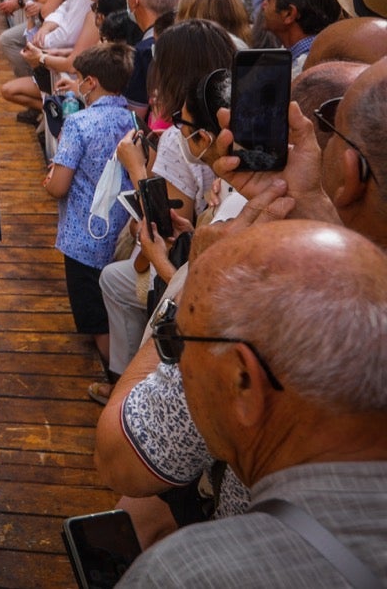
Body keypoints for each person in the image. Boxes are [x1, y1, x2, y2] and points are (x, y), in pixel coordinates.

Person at [115, 221, 387, 588]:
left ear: (243, 381)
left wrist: (184, 284)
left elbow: (118, 455)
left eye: (176, 342)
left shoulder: (184, 574)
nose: (175, 363)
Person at [41, 43, 136, 371]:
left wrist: (50, 179)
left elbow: (59, 186)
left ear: (92, 82)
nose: (78, 83)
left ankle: (114, 379)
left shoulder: (78, 124)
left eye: (80, 78)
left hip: (84, 238)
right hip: (122, 232)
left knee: (97, 322)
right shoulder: (132, 121)